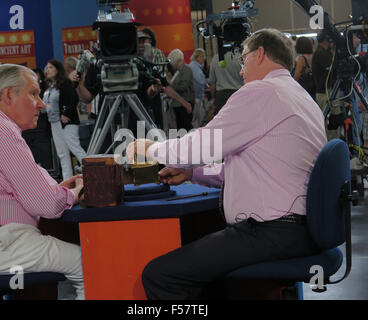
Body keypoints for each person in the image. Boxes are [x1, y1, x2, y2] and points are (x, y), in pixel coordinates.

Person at [126, 28, 327, 299]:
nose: (241, 71)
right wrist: (192, 173)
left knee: (161, 276)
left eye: (243, 60)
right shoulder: (300, 96)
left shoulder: (261, 92)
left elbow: (201, 146)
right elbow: (250, 167)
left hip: (271, 232)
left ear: (260, 54)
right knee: (212, 279)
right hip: (303, 229)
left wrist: (151, 149)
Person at [0, 64, 85, 299]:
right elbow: (47, 205)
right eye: (33, 94)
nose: (41, 104)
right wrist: (76, 192)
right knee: (90, 265)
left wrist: (56, 189)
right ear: (8, 95)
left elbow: (4, 187)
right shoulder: (0, 130)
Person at [43, 59, 87, 180]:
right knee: (62, 154)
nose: (48, 70)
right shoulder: (49, 87)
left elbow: (73, 99)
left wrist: (66, 113)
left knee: (75, 147)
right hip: (54, 122)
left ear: (58, 70)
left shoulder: (65, 83)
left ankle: (92, 172)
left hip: (67, 122)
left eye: (51, 67)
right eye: (47, 68)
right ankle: (68, 180)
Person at [208, 49, 243, 116]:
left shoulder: (215, 58)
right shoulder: (240, 58)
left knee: (221, 123)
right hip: (238, 95)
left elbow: (212, 83)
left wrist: (213, 98)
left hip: (221, 97)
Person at [167, 49, 195, 131]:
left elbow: (183, 86)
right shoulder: (178, 71)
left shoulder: (187, 70)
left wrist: (170, 86)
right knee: (180, 128)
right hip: (178, 105)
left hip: (185, 103)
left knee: (185, 127)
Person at [189, 48, 208, 128]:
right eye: (202, 56)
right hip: (196, 96)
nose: (204, 58)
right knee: (197, 118)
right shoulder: (194, 67)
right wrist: (210, 80)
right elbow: (201, 80)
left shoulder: (195, 66)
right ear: (197, 57)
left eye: (204, 56)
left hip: (197, 96)